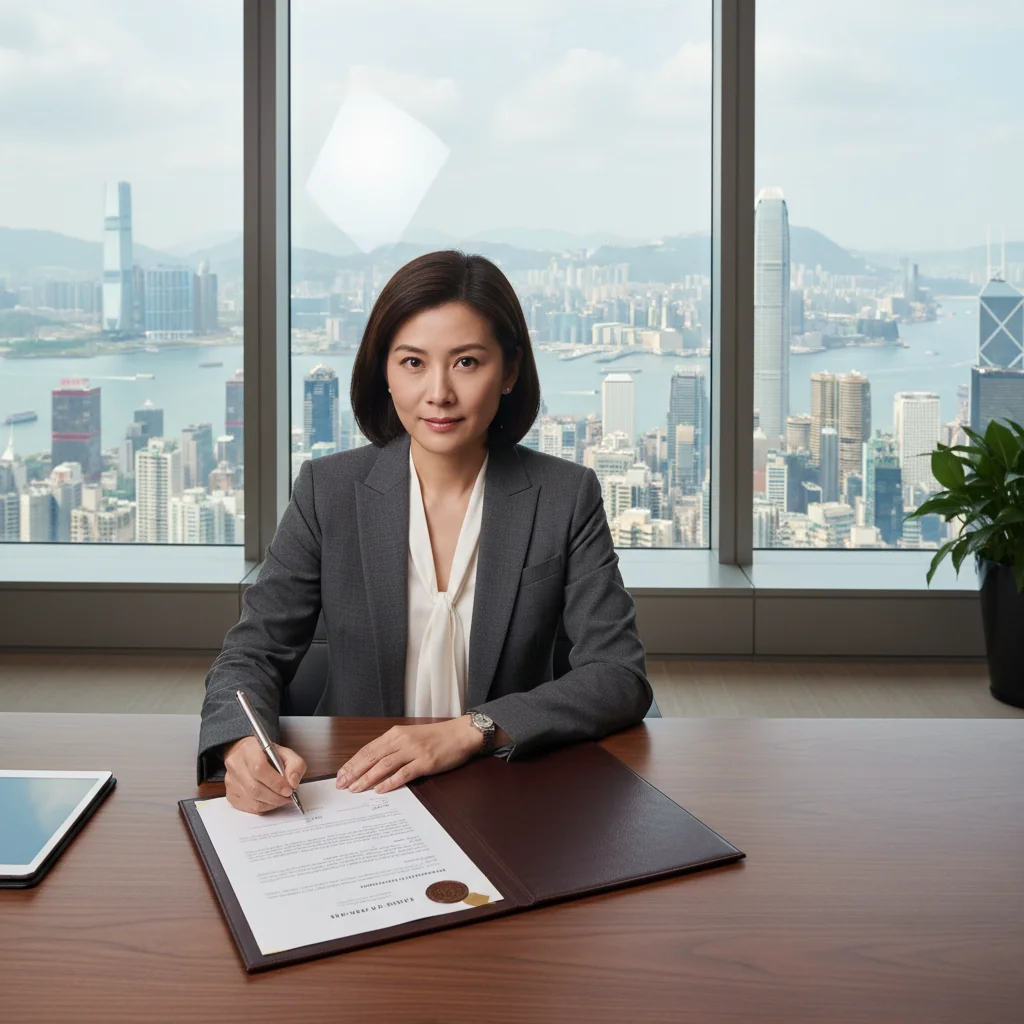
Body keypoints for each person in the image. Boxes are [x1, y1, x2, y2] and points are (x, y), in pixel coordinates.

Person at [197, 250, 652, 813]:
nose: (439, 392)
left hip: (508, 789)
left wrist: (473, 729)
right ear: (383, 372)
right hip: (356, 789)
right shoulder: (328, 491)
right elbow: (252, 653)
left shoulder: (565, 496)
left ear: (509, 371)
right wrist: (243, 746)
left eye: (466, 362)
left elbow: (618, 675)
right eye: (413, 363)